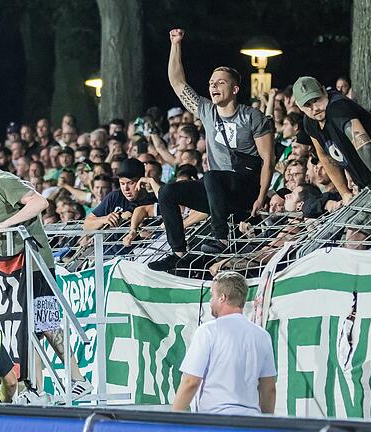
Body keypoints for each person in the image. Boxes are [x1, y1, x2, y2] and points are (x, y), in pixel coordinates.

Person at [0, 137, 92, 400]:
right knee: (31, 329)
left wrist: (4, 225)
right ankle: (36, 390)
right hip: (20, 266)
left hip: (34, 264)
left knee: (45, 323)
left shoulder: (2, 181)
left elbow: (39, 202)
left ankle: (79, 380)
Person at [148, 28, 275, 271]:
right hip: (216, 192)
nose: (213, 86)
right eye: (210, 83)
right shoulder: (207, 111)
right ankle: (178, 253)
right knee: (167, 192)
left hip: (244, 189)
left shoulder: (253, 117)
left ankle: (220, 238)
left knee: (211, 176)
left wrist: (260, 197)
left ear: (235, 89)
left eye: (220, 82)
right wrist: (175, 44)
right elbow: (177, 82)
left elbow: (268, 160)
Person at [293, 76, 371, 202]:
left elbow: (364, 144)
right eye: (307, 105)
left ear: (324, 91)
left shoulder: (337, 107)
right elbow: (324, 156)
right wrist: (344, 193)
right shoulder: (309, 121)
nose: (314, 108)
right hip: (369, 185)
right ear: (299, 106)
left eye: (316, 100)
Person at [172, 272, 276, 415]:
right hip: (252, 423)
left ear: (222, 298)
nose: (210, 301)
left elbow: (191, 382)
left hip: (215, 421)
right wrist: (265, 423)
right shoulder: (263, 336)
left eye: (212, 295)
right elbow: (269, 388)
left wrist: (173, 419)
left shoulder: (208, 331)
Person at [83, 158, 157, 230]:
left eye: (131, 183)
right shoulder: (115, 197)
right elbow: (86, 224)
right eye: (122, 183)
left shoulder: (153, 199)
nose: (126, 188)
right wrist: (104, 219)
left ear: (142, 181)